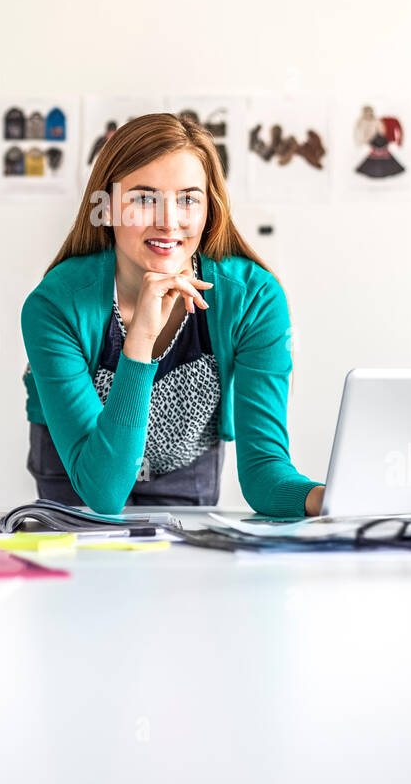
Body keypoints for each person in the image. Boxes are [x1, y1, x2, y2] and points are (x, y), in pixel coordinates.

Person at [20, 112, 324, 518]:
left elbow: (264, 470)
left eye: (188, 199)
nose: (169, 222)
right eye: (144, 198)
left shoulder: (253, 298)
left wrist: (325, 498)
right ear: (107, 208)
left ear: (209, 210)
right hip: (82, 466)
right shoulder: (55, 306)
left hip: (186, 460)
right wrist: (140, 340)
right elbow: (103, 493)